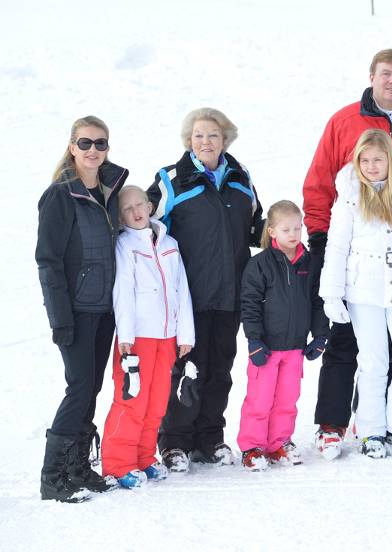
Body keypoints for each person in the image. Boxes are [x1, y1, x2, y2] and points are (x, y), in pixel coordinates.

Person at [303, 49, 392, 459]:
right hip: (357, 272)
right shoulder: (345, 123)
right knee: (355, 352)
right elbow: (319, 180)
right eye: (385, 74)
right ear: (372, 76)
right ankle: (343, 426)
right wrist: (319, 237)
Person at [147, 107, 263, 472]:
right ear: (188, 140)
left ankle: (210, 438)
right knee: (186, 371)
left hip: (230, 295)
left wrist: (284, 234)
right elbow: (144, 226)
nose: (205, 141)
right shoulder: (170, 180)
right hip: (189, 297)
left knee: (220, 369)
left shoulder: (240, 176)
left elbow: (254, 226)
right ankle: (175, 442)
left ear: (224, 139)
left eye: (213, 135)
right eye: (198, 135)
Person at [36, 116, 129, 502]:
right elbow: (48, 261)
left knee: (90, 386)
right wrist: (60, 319)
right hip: (75, 309)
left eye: (100, 143)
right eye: (85, 143)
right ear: (72, 146)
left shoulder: (110, 192)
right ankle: (52, 476)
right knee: (78, 388)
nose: (93, 150)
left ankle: (77, 466)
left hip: (104, 308)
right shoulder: (60, 195)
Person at [101, 185, 195, 488]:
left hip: (166, 337)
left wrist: (185, 334)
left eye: (139, 204)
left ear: (150, 206)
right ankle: (118, 464)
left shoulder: (169, 243)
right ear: (120, 216)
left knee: (156, 402)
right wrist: (125, 336)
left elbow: (182, 291)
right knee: (132, 400)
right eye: (127, 209)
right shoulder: (125, 246)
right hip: (137, 338)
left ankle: (143, 457)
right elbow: (123, 293)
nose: (136, 212)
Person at [238, 200, 329, 471]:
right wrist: (253, 339)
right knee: (260, 399)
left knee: (288, 399)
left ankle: (279, 442)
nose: (293, 235)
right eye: (286, 229)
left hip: (295, 348)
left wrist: (320, 336)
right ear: (272, 231)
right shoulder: (260, 264)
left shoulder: (309, 263)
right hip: (266, 347)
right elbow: (250, 304)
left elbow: (317, 301)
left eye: (298, 228)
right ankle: (252, 447)